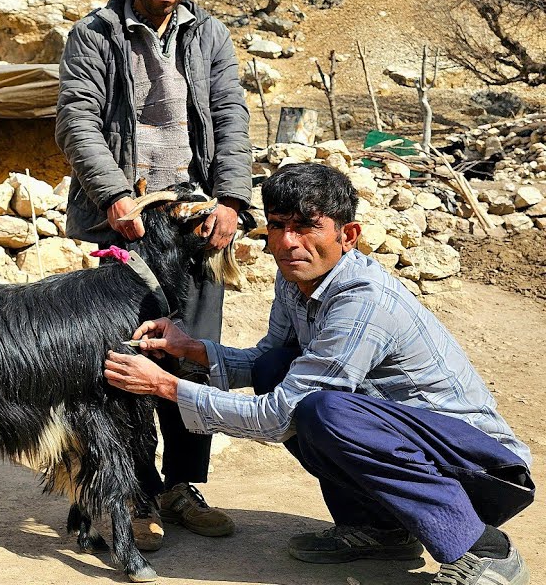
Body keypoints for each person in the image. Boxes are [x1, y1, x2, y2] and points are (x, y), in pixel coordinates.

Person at [105, 163, 534, 585]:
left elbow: (278, 416)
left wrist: (164, 384)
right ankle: (379, 530)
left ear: (347, 236)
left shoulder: (362, 302)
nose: (289, 242)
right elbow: (266, 361)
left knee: (325, 411)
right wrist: (193, 348)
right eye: (277, 225)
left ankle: (485, 550)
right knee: (279, 369)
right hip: (430, 458)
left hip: (481, 472)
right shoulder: (295, 280)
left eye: (308, 226)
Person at [56, 0, 252, 549]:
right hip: (123, 221)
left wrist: (230, 201)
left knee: (193, 353)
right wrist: (114, 194)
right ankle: (126, 489)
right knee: (118, 361)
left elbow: (231, 117)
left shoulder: (210, 35)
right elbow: (77, 124)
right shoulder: (95, 34)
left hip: (192, 224)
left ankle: (182, 485)